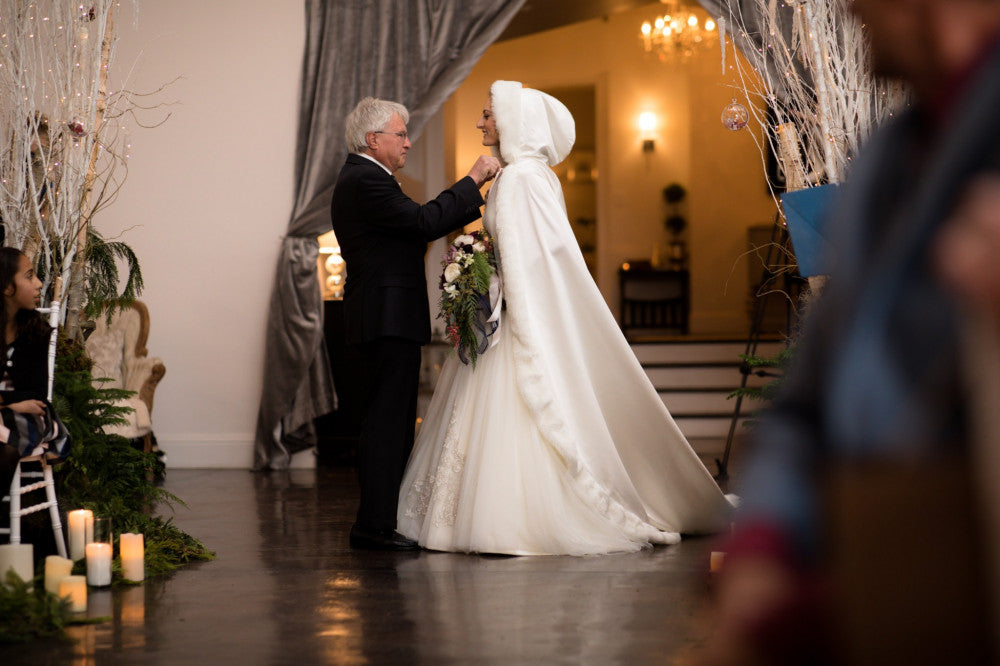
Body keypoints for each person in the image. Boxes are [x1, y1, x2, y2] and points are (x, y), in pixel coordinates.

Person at [703, 1, 1000, 662]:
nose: (849, 8)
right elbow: (805, 401)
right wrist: (763, 544)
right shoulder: (885, 159)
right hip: (868, 578)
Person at [396, 81, 732, 556]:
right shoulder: (530, 175)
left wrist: (486, 282)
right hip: (509, 316)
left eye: (488, 114)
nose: (480, 122)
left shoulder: (519, 179)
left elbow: (527, 261)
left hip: (514, 323)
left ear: (514, 122)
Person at [331, 97, 500, 551]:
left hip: (385, 318)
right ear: (373, 140)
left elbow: (409, 231)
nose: (408, 142)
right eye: (400, 134)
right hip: (384, 320)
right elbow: (424, 222)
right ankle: (373, 527)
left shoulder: (367, 177)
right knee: (387, 423)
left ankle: (380, 521)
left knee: (392, 421)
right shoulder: (365, 179)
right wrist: (474, 179)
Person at [0, 248, 70, 500]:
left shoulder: (35, 333)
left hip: (27, 418)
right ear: (7, 288)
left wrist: (11, 404)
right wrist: (10, 402)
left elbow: (36, 396)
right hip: (11, 409)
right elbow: (20, 398)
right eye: (29, 276)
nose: (39, 283)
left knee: (7, 449)